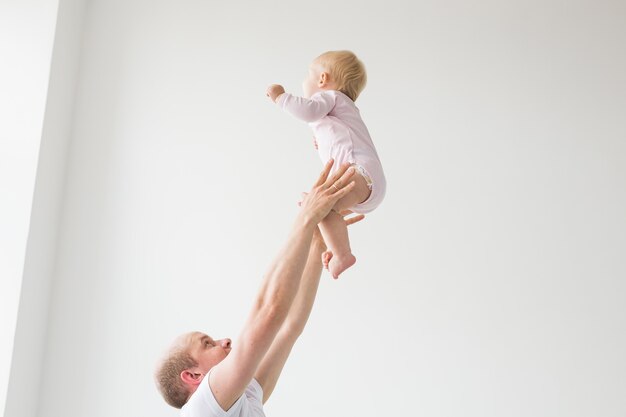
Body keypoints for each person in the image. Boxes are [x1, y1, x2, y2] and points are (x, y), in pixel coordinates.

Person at [155, 160, 364, 416]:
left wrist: (317, 243)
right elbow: (268, 313)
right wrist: (306, 217)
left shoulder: (241, 400)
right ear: (193, 375)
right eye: (208, 344)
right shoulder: (201, 409)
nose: (225, 340)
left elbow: (289, 327)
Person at [266, 50, 386, 279]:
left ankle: (343, 254)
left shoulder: (330, 97)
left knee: (321, 205)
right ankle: (334, 248)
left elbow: (308, 111)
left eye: (307, 75)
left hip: (359, 171)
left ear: (322, 79)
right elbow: (340, 137)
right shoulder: (344, 110)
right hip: (368, 180)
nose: (304, 81)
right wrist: (321, 143)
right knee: (319, 207)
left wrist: (280, 97)